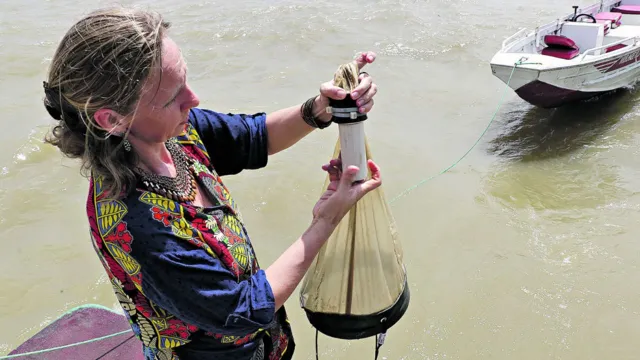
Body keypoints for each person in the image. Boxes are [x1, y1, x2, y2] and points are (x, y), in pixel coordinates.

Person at [42, 6, 382, 360]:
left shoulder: (175, 132)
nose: (194, 99)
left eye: (185, 80)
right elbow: (241, 310)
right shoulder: (136, 226)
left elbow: (254, 138)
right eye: (174, 97)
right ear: (112, 118)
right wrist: (325, 221)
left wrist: (320, 108)